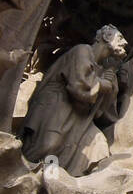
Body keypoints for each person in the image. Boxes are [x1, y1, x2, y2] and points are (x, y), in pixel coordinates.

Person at [23, 24, 127, 173]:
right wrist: (104, 84)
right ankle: (23, 175)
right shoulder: (82, 50)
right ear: (106, 37)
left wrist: (111, 83)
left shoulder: (104, 70)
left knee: (98, 147)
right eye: (120, 38)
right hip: (57, 105)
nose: (125, 43)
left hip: (80, 118)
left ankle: (70, 185)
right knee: (50, 145)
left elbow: (101, 113)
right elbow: (79, 85)